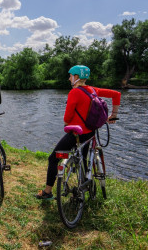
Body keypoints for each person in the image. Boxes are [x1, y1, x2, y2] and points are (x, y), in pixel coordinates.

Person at [35, 65, 120, 199]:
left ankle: (47, 191)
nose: (69, 79)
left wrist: (67, 123)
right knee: (84, 160)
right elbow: (116, 94)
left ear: (76, 77)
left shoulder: (74, 92)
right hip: (90, 133)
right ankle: (83, 190)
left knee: (53, 158)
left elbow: (67, 118)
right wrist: (114, 114)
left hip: (76, 134)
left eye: (70, 76)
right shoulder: (93, 90)